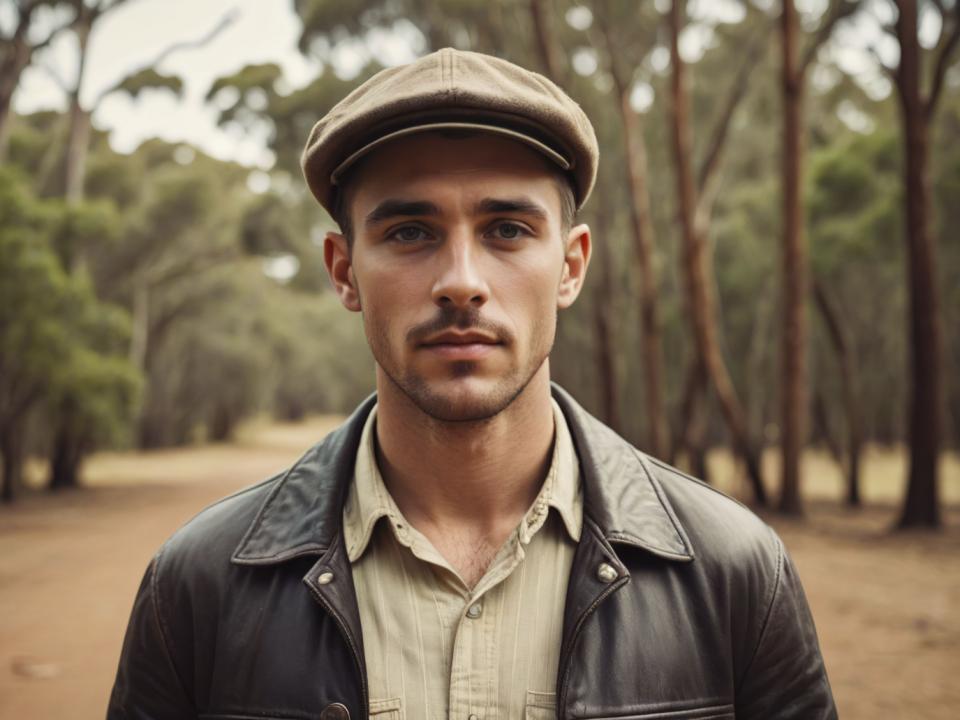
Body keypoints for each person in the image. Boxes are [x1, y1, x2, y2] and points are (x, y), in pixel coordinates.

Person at [108, 48, 836, 720]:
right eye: (410, 232)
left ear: (571, 266)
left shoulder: (733, 572)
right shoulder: (198, 587)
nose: (461, 282)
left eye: (508, 229)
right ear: (343, 270)